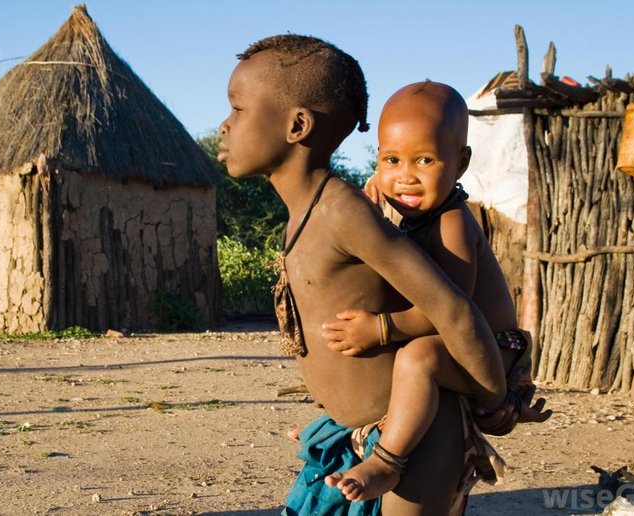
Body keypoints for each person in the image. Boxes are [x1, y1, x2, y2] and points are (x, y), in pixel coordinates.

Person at [218, 35, 510, 515]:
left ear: (297, 125)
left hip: (414, 444)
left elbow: (453, 307)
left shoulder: (342, 212)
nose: (225, 126)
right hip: (358, 440)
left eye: (237, 109)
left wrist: (494, 401)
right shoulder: (310, 212)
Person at [321, 81, 552, 503]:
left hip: (491, 348)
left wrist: (382, 328)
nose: (404, 175)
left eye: (424, 160)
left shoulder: (452, 226)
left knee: (418, 357)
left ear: (460, 163)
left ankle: (387, 461)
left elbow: (450, 313)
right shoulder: (411, 220)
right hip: (464, 348)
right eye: (391, 160)